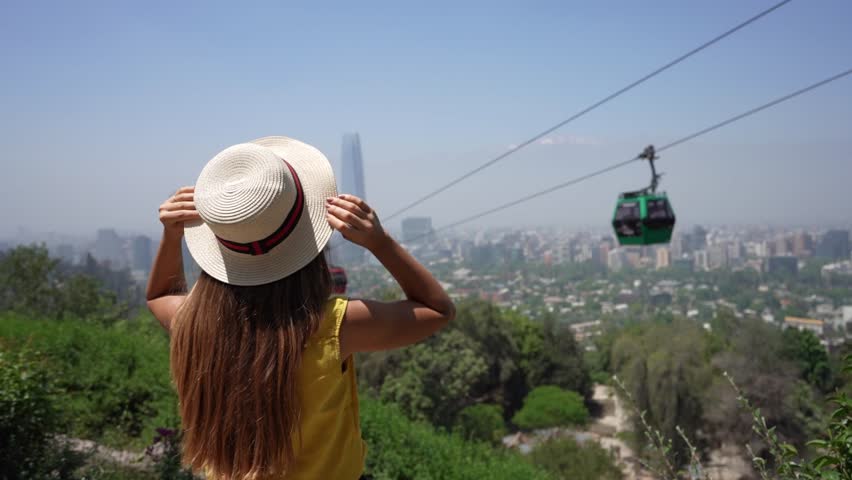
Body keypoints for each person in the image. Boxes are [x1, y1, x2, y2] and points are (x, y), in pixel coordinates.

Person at [146, 136, 455, 480]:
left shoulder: (194, 322)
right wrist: (378, 241)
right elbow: (437, 309)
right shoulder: (332, 326)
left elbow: (158, 296)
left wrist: (171, 236)